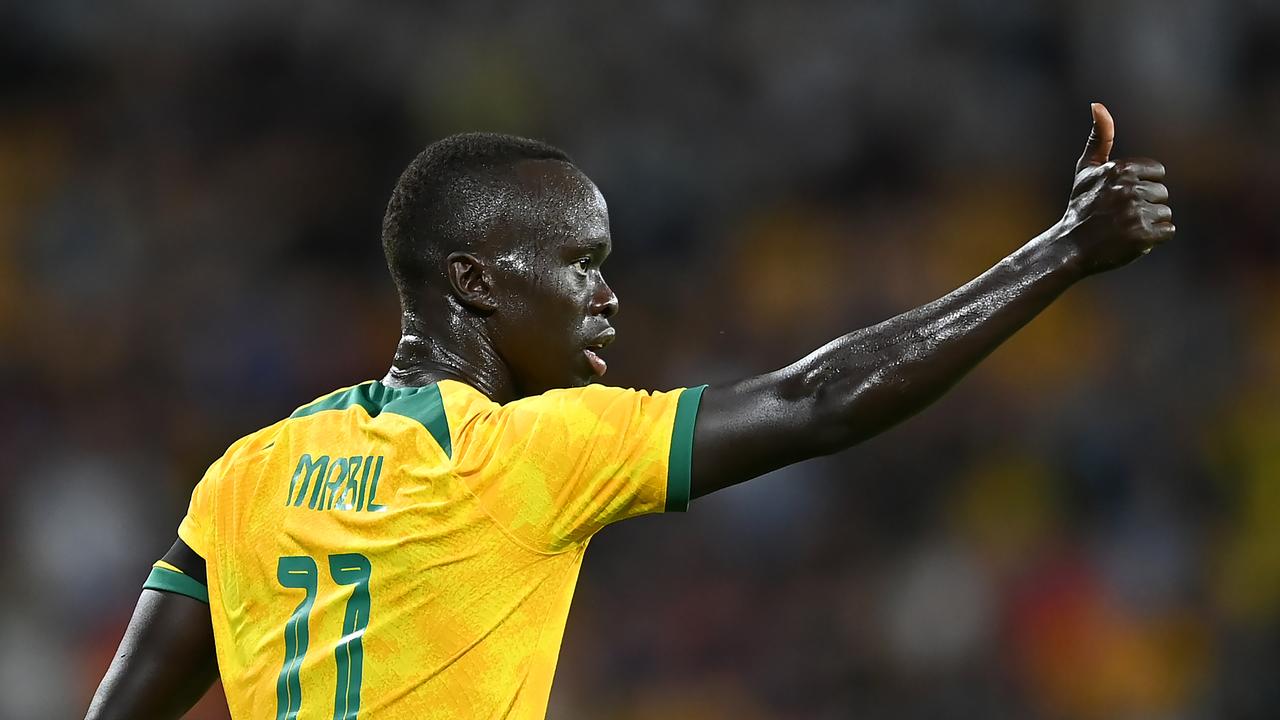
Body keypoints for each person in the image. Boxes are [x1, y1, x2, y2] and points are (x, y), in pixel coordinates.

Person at [85, 103, 1173, 719]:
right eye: (580, 264)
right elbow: (819, 398)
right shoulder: (528, 453)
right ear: (475, 281)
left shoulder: (250, 471)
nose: (608, 295)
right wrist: (1062, 253)